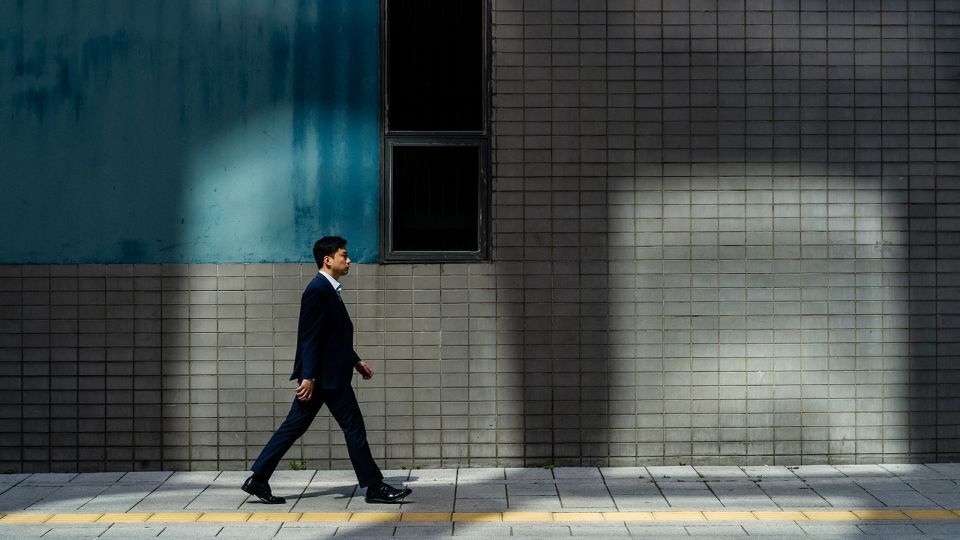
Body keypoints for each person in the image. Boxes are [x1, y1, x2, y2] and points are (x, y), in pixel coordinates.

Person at [242, 236, 412, 504]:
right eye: (344, 255)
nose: (349, 260)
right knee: (353, 428)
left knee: (294, 427)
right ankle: (375, 487)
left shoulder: (327, 289)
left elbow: (332, 336)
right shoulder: (317, 290)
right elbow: (309, 337)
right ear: (328, 260)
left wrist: (355, 360)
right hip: (324, 379)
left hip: (327, 375)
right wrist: (308, 376)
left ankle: (258, 479)